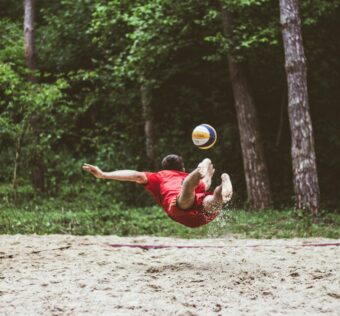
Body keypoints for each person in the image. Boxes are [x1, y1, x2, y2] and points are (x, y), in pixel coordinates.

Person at [82, 154, 232, 228]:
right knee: (210, 201)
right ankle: (220, 190)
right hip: (202, 209)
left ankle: (197, 178)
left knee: (186, 196)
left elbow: (135, 175)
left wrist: (103, 174)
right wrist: (209, 177)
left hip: (179, 207)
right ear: (183, 169)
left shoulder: (159, 176)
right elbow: (205, 184)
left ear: (163, 167)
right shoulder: (186, 176)